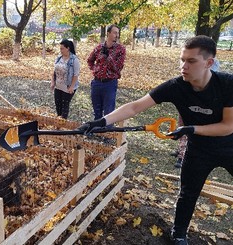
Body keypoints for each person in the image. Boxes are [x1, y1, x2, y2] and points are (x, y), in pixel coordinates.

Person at [78, 35, 233, 245]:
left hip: (228, 146)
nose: (183, 66)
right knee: (188, 193)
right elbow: (135, 106)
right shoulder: (176, 86)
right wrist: (101, 122)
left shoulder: (226, 84)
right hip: (199, 150)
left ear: (209, 63)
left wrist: (191, 129)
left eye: (191, 61)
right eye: (182, 59)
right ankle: (178, 235)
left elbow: (228, 126)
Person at [173, 57, 221, 168]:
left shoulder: (212, 65)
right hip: (187, 106)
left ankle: (184, 155)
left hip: (203, 110)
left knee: (193, 131)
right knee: (182, 127)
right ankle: (181, 151)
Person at [87, 24, 126, 120]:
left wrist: (109, 58)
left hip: (110, 84)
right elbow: (90, 60)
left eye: (118, 33)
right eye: (115, 33)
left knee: (109, 113)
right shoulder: (99, 48)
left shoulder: (120, 49)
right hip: (96, 83)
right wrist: (95, 69)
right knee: (97, 111)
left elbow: (118, 68)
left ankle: (107, 134)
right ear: (108, 33)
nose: (117, 35)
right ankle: (97, 133)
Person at [50, 39, 80, 119]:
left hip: (67, 87)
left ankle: (63, 125)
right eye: (60, 49)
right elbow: (54, 71)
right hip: (58, 86)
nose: (61, 50)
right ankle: (58, 125)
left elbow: (76, 75)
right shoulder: (58, 58)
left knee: (64, 107)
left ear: (68, 48)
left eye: (62, 48)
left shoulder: (74, 60)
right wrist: (53, 82)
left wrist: (71, 87)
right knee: (58, 106)